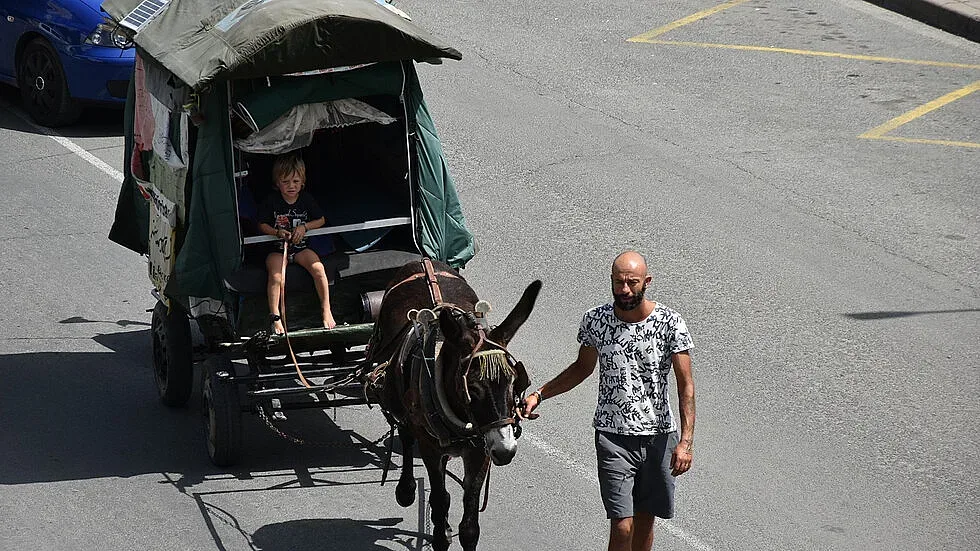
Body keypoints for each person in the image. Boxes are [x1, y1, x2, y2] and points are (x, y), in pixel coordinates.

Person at [522, 251, 696, 551]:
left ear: (647, 282)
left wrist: (685, 443)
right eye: (618, 282)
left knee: (644, 521)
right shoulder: (596, 321)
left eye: (632, 283)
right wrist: (540, 394)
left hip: (659, 438)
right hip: (613, 438)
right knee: (622, 523)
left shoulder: (671, 323)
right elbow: (581, 368)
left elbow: (686, 386)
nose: (625, 290)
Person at [257, 154, 336, 333]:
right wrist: (277, 232)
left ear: (302, 182)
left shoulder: (306, 199)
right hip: (277, 249)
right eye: (285, 182)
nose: (291, 186)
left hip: (301, 248)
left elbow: (321, 219)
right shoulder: (271, 201)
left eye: (295, 181)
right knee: (277, 276)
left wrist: (304, 227)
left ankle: (326, 309)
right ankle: (275, 316)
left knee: (319, 269)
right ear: (277, 183)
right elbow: (262, 224)